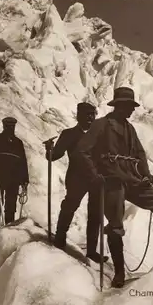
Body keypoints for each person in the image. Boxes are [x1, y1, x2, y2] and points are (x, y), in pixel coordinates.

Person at [74, 87, 153, 288]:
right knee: (116, 225)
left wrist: (145, 174)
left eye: (132, 107)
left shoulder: (130, 129)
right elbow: (81, 151)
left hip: (133, 179)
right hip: (111, 180)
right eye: (128, 106)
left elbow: (139, 154)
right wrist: (95, 176)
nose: (131, 110)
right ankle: (119, 272)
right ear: (119, 106)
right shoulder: (101, 125)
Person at [44, 102, 108, 264]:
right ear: (78, 116)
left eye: (93, 114)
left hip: (96, 179)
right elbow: (54, 157)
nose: (90, 118)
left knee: (95, 214)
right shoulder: (68, 134)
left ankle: (92, 251)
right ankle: (59, 239)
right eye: (87, 114)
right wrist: (49, 149)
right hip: (76, 178)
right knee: (69, 207)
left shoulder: (100, 134)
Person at [0, 117, 29, 232]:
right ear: (4, 126)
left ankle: (9, 226)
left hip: (14, 177)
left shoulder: (18, 143)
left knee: (11, 202)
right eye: (8, 126)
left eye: (12, 127)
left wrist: (24, 179)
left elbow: (23, 161)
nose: (10, 129)